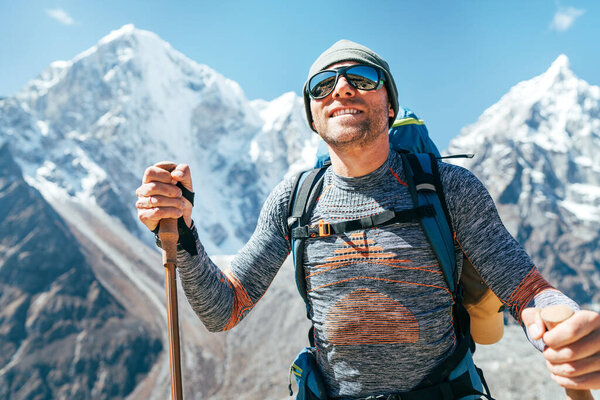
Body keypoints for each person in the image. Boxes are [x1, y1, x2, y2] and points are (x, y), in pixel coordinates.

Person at [136, 40, 600, 399]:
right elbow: (225, 309)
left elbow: (528, 292)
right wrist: (182, 236)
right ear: (314, 119)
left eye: (361, 77)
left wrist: (563, 328)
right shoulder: (294, 200)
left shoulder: (448, 187)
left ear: (390, 105)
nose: (341, 89)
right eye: (323, 86)